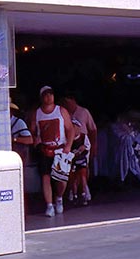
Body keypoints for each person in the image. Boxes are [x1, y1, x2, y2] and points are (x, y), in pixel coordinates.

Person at [31, 86, 75, 217]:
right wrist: (35, 139)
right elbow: (32, 131)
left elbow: (70, 129)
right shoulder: (37, 113)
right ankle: (49, 205)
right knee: (46, 177)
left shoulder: (61, 111)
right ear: (41, 97)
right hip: (45, 150)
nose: (49, 97)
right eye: (45, 95)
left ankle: (59, 198)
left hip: (60, 149)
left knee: (61, 179)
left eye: (51, 94)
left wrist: (68, 145)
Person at [62, 93, 97, 204]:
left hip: (83, 148)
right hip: (71, 149)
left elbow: (93, 130)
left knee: (83, 172)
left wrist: (93, 147)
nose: (67, 104)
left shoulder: (84, 112)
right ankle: (73, 194)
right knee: (71, 174)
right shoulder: (64, 113)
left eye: (69, 102)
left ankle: (85, 193)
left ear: (73, 100)